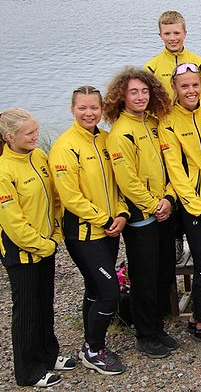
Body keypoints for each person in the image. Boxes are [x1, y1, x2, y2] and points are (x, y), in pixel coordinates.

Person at [49, 86, 129, 375]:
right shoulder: (64, 147)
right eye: (82, 108)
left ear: (101, 109)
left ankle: (91, 342)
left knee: (95, 291)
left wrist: (121, 213)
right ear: (72, 110)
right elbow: (70, 198)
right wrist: (105, 219)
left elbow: (118, 183)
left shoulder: (106, 140)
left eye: (94, 108)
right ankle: (93, 350)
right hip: (84, 234)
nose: (88, 113)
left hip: (110, 229)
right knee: (109, 291)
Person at [103, 68, 178, 359]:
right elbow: (127, 180)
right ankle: (144, 334)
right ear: (122, 95)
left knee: (163, 273)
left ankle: (157, 326)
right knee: (144, 277)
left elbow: (169, 163)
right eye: (134, 92)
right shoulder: (120, 132)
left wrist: (169, 199)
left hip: (163, 210)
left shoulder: (153, 123)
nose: (140, 97)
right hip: (141, 217)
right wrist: (153, 205)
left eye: (145, 91)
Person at [0, 109, 74, 387]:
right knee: (27, 310)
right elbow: (13, 221)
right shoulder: (4, 171)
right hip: (21, 252)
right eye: (29, 133)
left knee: (45, 304)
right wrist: (41, 245)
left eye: (36, 130)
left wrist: (55, 234)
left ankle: (48, 354)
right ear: (10, 137)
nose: (36, 136)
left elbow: (54, 198)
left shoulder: (39, 157)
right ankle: (28, 370)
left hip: (46, 244)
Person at [159, 63, 201, 347]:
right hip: (194, 209)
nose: (191, 90)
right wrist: (200, 208)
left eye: (195, 85)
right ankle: (200, 323)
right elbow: (176, 171)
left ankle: (195, 317)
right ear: (174, 88)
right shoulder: (168, 122)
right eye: (184, 86)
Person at [145, 11, 201, 102]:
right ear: (160, 35)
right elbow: (150, 100)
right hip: (165, 115)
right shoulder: (151, 67)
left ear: (185, 33)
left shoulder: (200, 64)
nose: (172, 38)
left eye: (177, 33)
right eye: (167, 34)